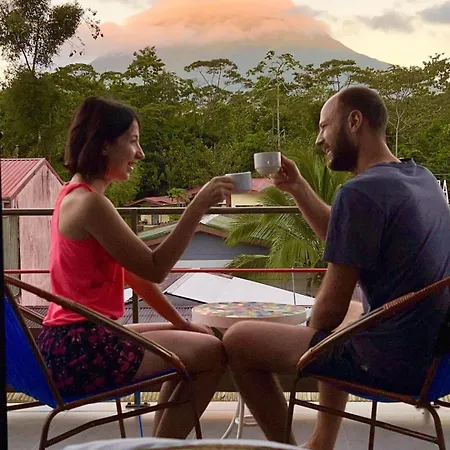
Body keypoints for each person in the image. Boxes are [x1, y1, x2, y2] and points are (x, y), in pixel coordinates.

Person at [223, 86, 450, 449]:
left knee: (238, 341)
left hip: (395, 365)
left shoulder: (360, 192)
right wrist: (298, 187)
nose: (319, 139)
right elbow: (345, 235)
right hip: (437, 361)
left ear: (354, 121)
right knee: (354, 313)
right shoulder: (420, 178)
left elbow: (329, 310)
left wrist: (307, 343)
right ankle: (322, 442)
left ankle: (288, 446)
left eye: (324, 126)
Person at [37, 96, 235, 439]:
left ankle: (159, 443)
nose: (140, 154)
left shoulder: (74, 194)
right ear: (104, 145)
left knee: (196, 341)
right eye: (132, 141)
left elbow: (136, 276)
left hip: (73, 341)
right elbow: (155, 268)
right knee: (213, 354)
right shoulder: (91, 204)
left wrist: (182, 324)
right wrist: (198, 206)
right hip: (84, 349)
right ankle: (163, 446)